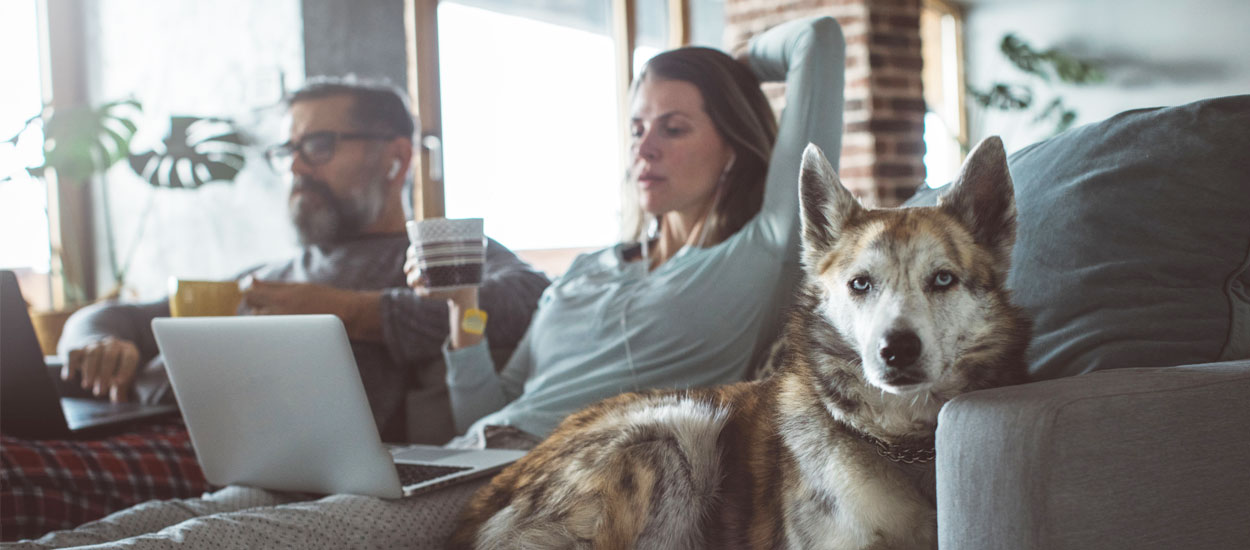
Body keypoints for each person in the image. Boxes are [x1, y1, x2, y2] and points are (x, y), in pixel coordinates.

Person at [9, 16, 845, 549]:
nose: (645, 148)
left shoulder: (752, 259)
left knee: (213, 540)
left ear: (733, 145)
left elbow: (820, 48)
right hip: (458, 454)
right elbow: (479, 409)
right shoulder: (592, 268)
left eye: (674, 126)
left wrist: (731, 65)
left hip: (558, 472)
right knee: (174, 514)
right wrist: (460, 326)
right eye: (635, 127)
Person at [0, 77, 550, 543]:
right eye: (289, 150)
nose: (296, 168)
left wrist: (352, 311)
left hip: (225, 453)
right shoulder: (276, 272)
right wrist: (93, 343)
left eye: (319, 145)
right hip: (134, 419)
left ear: (396, 158)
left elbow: (527, 295)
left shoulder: (426, 260)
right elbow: (112, 316)